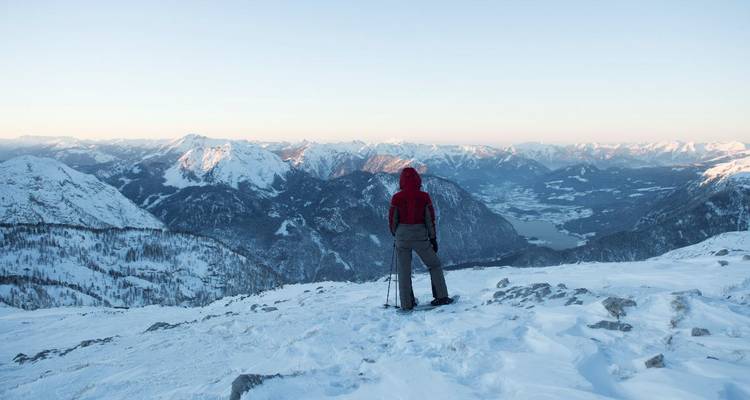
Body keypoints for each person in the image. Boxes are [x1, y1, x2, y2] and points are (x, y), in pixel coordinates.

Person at [388, 167, 452, 310]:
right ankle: (441, 297)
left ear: (402, 181)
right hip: (420, 236)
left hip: (402, 236)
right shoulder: (424, 197)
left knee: (404, 272)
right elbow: (430, 220)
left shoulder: (396, 198)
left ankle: (407, 304)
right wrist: (433, 238)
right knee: (434, 265)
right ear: (418, 180)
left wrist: (396, 234)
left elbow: (393, 220)